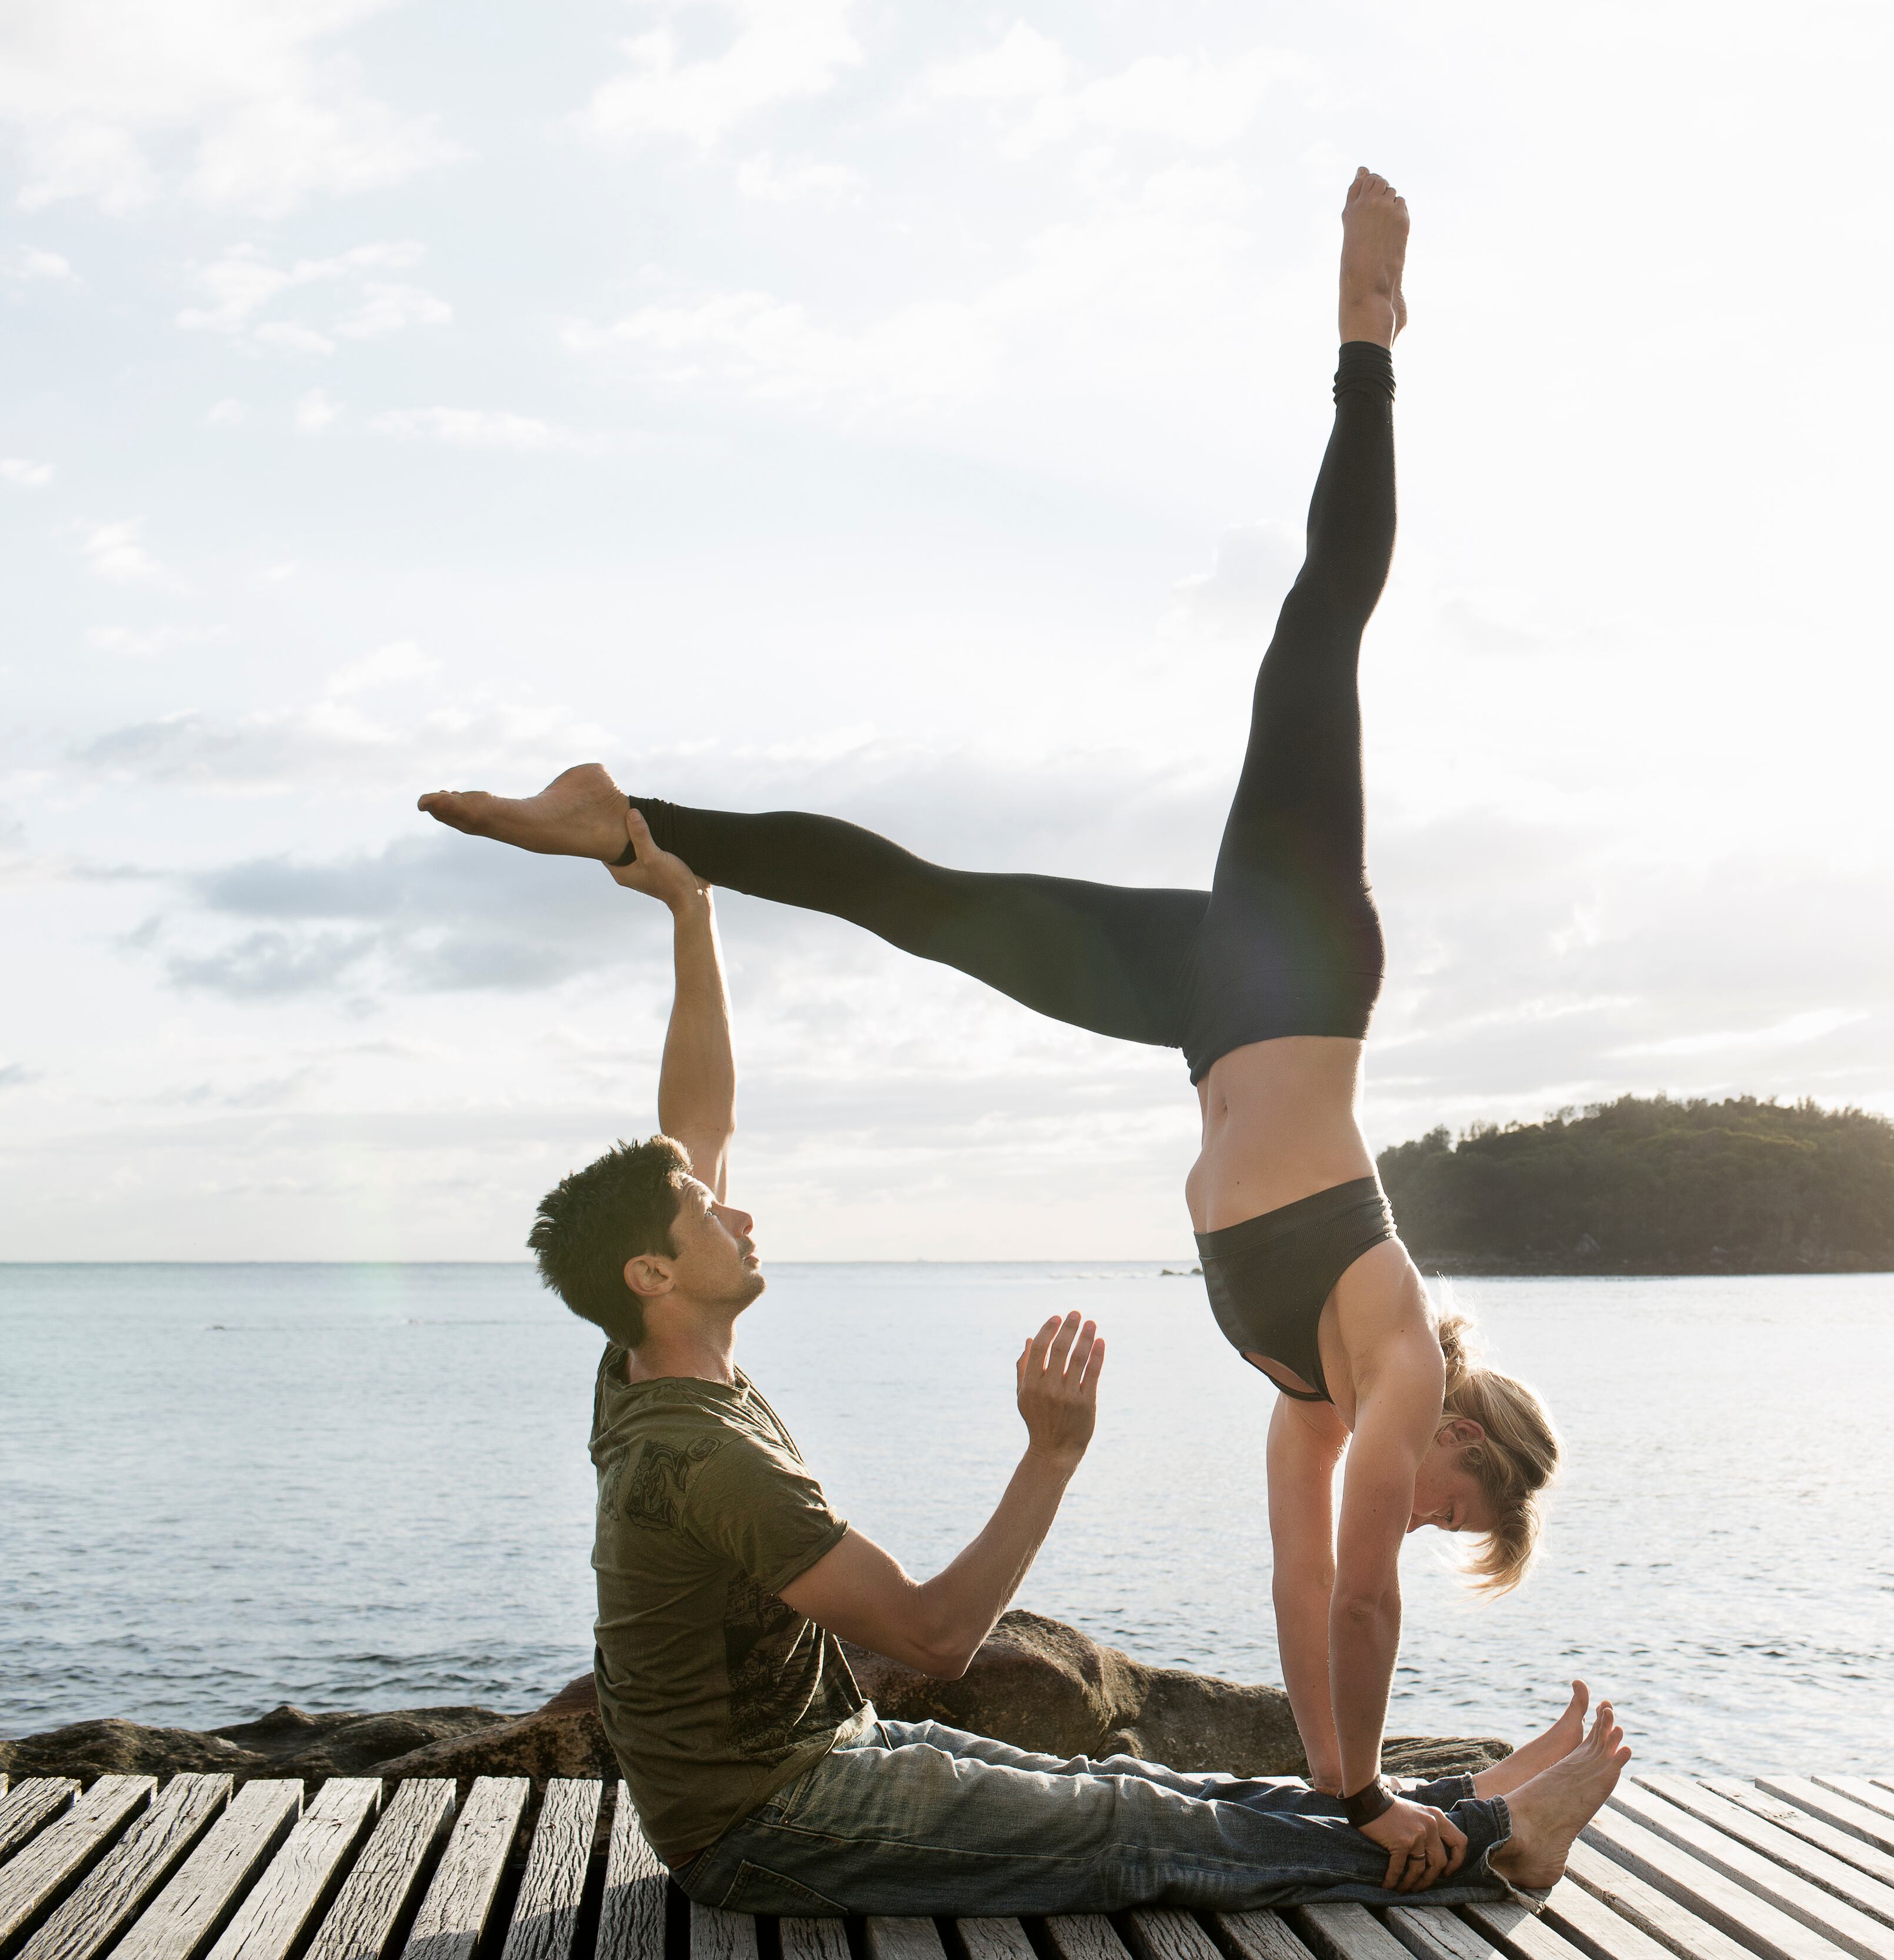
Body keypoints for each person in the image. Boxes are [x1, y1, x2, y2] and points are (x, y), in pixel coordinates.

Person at [426, 168, 1562, 1879]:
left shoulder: (1302, 1381)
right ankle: (1367, 338)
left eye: (1434, 1525)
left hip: (1203, 1011)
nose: (1415, 1516)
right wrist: (1359, 1803)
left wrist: (1356, 1787)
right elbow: (1353, 1592)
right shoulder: (1393, 1346)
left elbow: (1296, 1583)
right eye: (1450, 1508)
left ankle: (631, 821)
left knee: (925, 905)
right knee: (1311, 641)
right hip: (1295, 967)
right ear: (1465, 1439)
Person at [531, 814, 1626, 1916]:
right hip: (766, 1823)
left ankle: (1454, 1804)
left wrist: (692, 907)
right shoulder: (704, 1457)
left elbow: (699, 1121)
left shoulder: (648, 1359)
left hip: (818, 1760)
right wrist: (1050, 1455)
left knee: (1134, 1789)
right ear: (653, 1273)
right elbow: (936, 1636)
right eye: (707, 1214)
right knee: (1127, 1830)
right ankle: (1495, 1845)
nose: (738, 1211)